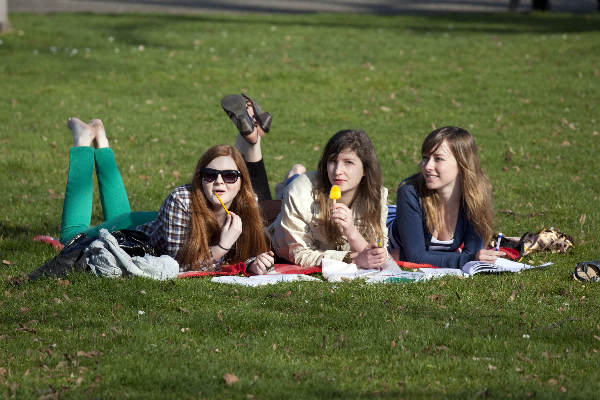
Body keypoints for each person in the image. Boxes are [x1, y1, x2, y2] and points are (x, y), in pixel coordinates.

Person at [60, 97, 275, 274]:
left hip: (153, 222)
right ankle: (82, 141)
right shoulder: (181, 200)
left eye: (229, 176)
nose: (219, 181)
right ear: (199, 178)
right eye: (210, 175)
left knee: (122, 213)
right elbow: (175, 265)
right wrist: (221, 248)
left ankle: (101, 139)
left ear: (242, 183)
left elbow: (243, 252)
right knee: (71, 237)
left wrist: (253, 261)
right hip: (131, 230)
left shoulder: (248, 202)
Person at [268, 129, 389, 269]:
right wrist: (351, 260)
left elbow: (379, 252)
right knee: (285, 193)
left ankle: (293, 176)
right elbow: (298, 254)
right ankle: (292, 177)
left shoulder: (376, 195)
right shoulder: (299, 193)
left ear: (365, 170)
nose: (337, 171)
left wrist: (351, 231)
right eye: (332, 161)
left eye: (348, 162)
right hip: (280, 235)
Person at [388, 126, 504, 268]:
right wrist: (466, 258)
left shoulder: (477, 194)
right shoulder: (410, 191)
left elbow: (472, 251)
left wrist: (406, 254)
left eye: (438, 159)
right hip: (381, 222)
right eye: (425, 157)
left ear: (462, 163)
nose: (427, 166)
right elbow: (416, 257)